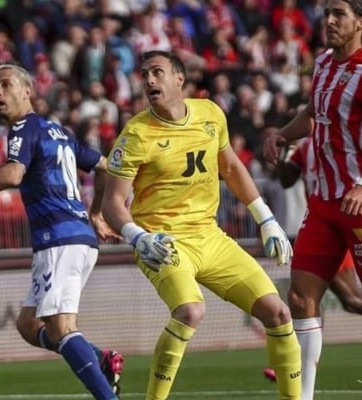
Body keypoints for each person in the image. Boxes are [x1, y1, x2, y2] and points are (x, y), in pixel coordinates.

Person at [101, 50, 301, 400]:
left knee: (279, 312)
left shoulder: (210, 114)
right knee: (190, 311)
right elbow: (112, 203)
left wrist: (266, 218)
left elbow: (231, 168)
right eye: (144, 74)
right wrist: (137, 237)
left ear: (179, 78)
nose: (149, 80)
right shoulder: (135, 135)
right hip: (163, 244)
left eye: (157, 72)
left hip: (210, 237)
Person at [0, 64, 123, 400]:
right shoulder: (58, 132)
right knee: (28, 324)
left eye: (6, 85)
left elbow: (12, 175)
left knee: (61, 327)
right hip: (75, 237)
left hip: (59, 239)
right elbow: (104, 166)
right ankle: (100, 359)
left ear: (27, 91)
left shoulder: (25, 127)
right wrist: (95, 214)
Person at [263, 1, 362, 398]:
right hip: (323, 204)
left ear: (360, 20)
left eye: (339, 14)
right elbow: (311, 113)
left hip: (358, 202)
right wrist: (282, 134)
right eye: (327, 14)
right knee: (301, 297)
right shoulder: (322, 62)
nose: (330, 21)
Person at [264, 137, 362, 383]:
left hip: (348, 220)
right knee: (305, 297)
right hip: (321, 226)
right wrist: (284, 155)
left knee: (350, 300)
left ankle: (296, 362)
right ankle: (297, 365)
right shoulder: (306, 148)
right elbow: (287, 180)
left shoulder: (345, 136)